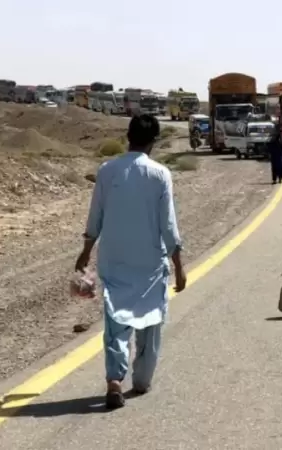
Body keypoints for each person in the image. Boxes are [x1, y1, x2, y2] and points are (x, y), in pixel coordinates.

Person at [75, 114, 187, 410]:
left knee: (116, 319)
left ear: (128, 136)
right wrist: (178, 265)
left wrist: (86, 250)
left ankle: (114, 379)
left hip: (114, 259)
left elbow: (95, 214)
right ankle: (141, 380)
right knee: (151, 320)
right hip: (149, 262)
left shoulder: (107, 170)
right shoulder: (160, 174)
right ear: (154, 141)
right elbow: (168, 225)